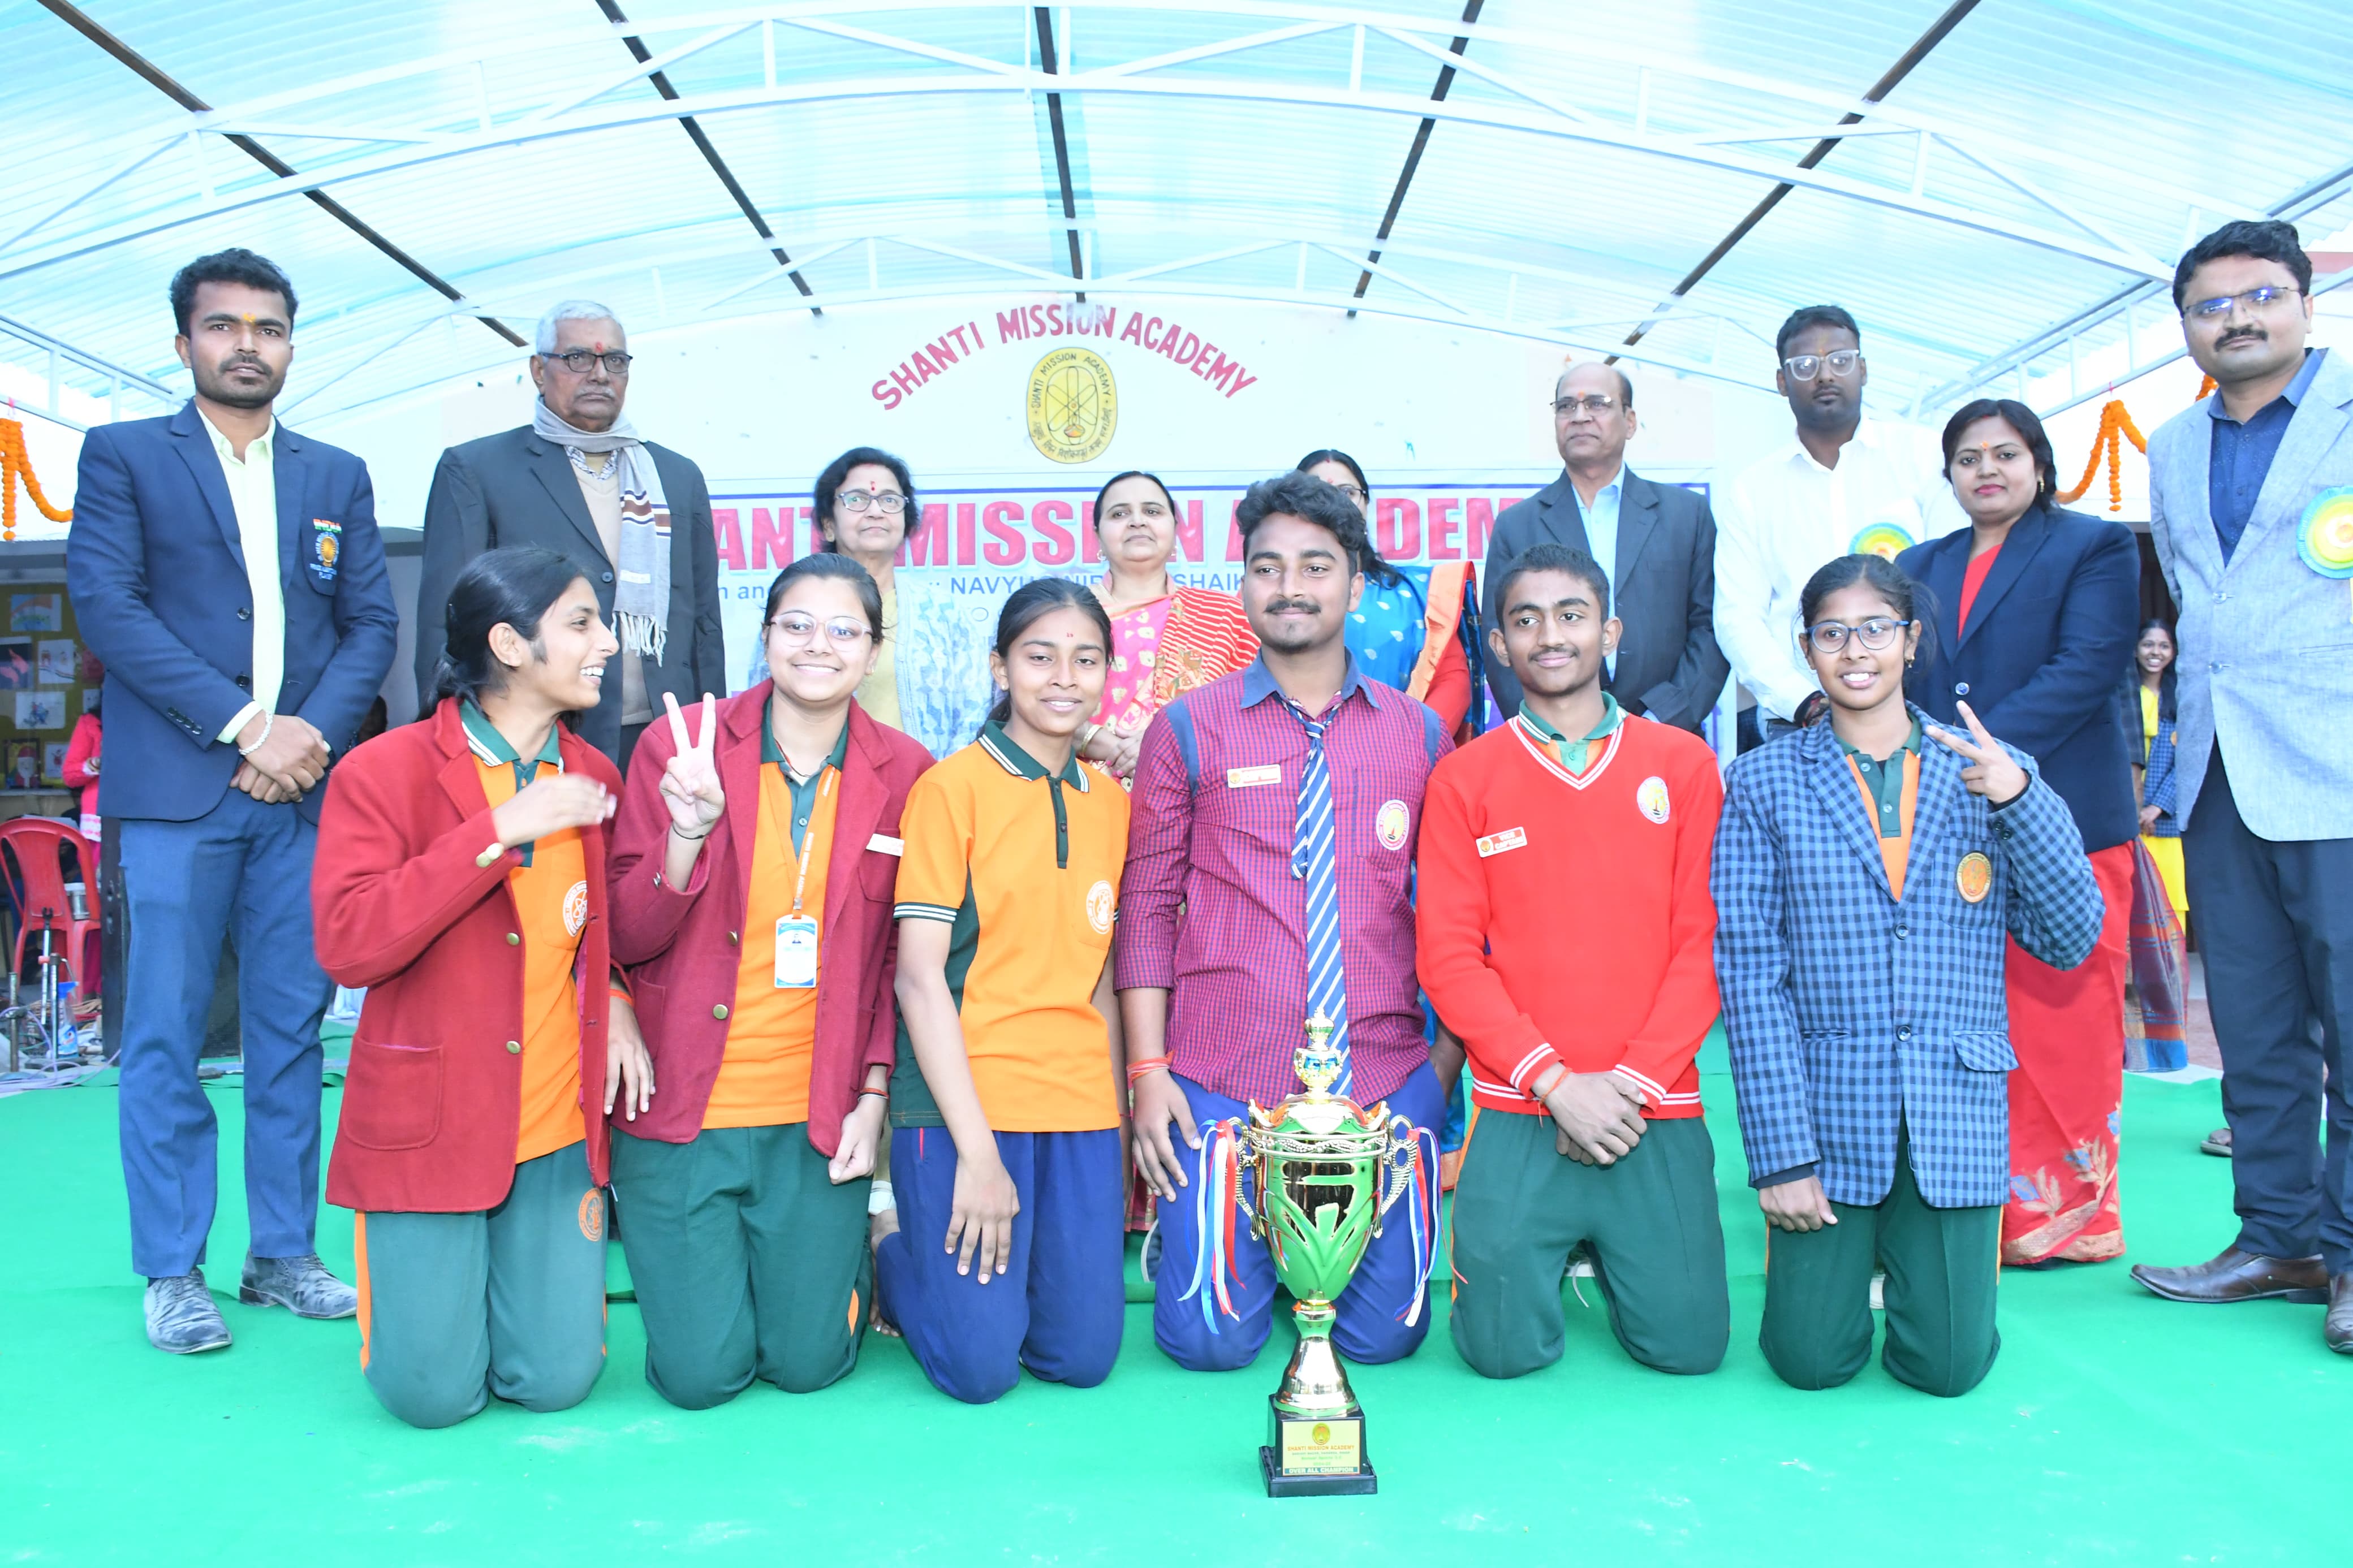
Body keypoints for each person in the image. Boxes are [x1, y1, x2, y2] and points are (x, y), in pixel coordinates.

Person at [66, 248, 399, 1355]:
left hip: (301, 797)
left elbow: (371, 626)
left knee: (292, 1030)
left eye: (268, 326)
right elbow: (109, 608)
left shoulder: (334, 473)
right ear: (184, 343)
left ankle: (282, 1254)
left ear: (291, 345)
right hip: (178, 794)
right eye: (223, 325)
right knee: (165, 1031)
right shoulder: (125, 456)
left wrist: (303, 739)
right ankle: (173, 1269)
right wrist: (247, 724)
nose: (246, 343)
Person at [1714, 554, 2100, 1397]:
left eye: (1876, 629)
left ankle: (1920, 1283)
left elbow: (2072, 938)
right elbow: (1750, 979)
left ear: (1912, 640)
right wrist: (1780, 1158)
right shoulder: (1761, 782)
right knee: (1810, 1363)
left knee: (1948, 1370)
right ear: (1806, 649)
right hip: (1828, 1116)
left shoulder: (1990, 771)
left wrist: (2020, 799)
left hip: (1953, 1113)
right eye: (1831, 633)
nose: (1855, 650)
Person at [311, 547, 653, 1427]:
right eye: (581, 623)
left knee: (556, 1382)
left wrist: (617, 1002)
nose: (607, 642)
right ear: (508, 643)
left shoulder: (596, 778)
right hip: (431, 1122)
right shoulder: (382, 772)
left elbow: (605, 934)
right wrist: (498, 830)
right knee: (430, 1398)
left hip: (554, 1123)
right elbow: (350, 945)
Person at [1122, 470, 1453, 1372]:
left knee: (1386, 1339)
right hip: (1225, 1078)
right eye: (1267, 568)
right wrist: (1149, 1073)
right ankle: (1221, 1238)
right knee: (1208, 1344)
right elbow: (1146, 908)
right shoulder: (1187, 730)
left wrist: (1439, 1073)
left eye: (1316, 566)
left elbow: (1456, 915)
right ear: (1243, 584)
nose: (1290, 587)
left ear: (1355, 583)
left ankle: (1287, 1251)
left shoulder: (1420, 735)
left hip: (1380, 1081)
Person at [604, 554, 933, 1407]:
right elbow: (625, 934)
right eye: (798, 625)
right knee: (699, 1378)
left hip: (817, 1113)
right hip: (683, 1105)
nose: (819, 645)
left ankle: (870, 1254)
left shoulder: (908, 772)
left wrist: (872, 1093)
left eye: (844, 630)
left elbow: (898, 963)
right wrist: (686, 834)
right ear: (765, 636)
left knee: (806, 1364)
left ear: (873, 650)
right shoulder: (683, 746)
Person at [1419, 543, 1729, 1379]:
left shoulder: (1683, 764)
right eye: (1525, 620)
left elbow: (1705, 940)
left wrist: (1627, 1086)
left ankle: (1611, 1259)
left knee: (1689, 1351)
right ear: (1498, 644)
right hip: (1520, 1103)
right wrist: (1556, 1084)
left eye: (1570, 615)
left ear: (1610, 631)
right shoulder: (1464, 778)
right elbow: (1448, 957)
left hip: (1652, 1106)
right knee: (1498, 1354)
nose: (1549, 635)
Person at [2127, 220, 2353, 1355]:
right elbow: (2188, 602)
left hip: (2341, 772)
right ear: (2186, 327)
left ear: (2306, 302)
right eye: (2210, 306)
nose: (2237, 319)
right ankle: (2279, 1239)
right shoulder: (2172, 443)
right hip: (2220, 774)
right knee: (2258, 1029)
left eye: (2260, 295)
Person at [1898, 399, 2141, 1267]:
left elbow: (2087, 668)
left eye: (2005, 454)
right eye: (1968, 458)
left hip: (2068, 820)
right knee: (1969, 1018)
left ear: (2040, 463)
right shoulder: (1918, 565)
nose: (1987, 470)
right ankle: (1976, 1208)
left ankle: (2071, 1220)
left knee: (2064, 1017)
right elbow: (1899, 681)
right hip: (1948, 828)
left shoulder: (2095, 546)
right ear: (1950, 474)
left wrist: (1975, 753)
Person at [876, 578, 1130, 1403]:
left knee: (1081, 1358)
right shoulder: (951, 789)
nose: (1063, 678)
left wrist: (1118, 1128)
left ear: (1107, 673)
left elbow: (1102, 980)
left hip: (1077, 1105)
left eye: (1085, 660)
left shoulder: (1112, 803)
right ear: (1000, 668)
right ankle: (888, 1249)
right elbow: (918, 979)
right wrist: (979, 1156)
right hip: (966, 1106)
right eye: (1039, 657)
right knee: (979, 1371)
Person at [416, 300, 726, 772]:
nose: (600, 374)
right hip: (533, 739)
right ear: (539, 370)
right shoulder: (478, 470)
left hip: (666, 737)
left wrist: (713, 736)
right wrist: (455, 743)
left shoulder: (676, 476)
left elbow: (704, 622)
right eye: (578, 358)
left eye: (614, 360)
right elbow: (446, 624)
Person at [1714, 306, 1966, 743]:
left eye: (1841, 360)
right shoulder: (1753, 489)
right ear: (1782, 381)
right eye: (1805, 365)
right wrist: (1805, 700)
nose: (1825, 375)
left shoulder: (1923, 457)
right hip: (1798, 722)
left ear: (1863, 370)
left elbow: (1952, 583)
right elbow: (1738, 617)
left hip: (1918, 710)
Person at [1479, 365, 1729, 734]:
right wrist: (1548, 729)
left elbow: (1711, 626)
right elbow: (1500, 637)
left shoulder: (1685, 515)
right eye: (1566, 406)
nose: (1580, 416)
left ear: (1630, 422)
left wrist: (1661, 719)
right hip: (1557, 742)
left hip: (1666, 733)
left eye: (1597, 403)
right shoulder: (1517, 525)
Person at [801, 446, 996, 761]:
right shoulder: (797, 611)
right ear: (828, 525)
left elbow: (976, 711)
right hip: (820, 784)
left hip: (927, 783)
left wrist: (943, 781)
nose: (875, 511)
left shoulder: (943, 613)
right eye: (857, 499)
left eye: (890, 500)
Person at [1078, 470, 1258, 781]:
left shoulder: (1225, 616)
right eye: (1119, 514)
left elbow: (1252, 719)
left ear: (1175, 530)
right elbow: (1039, 711)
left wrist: (1161, 748)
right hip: (1082, 793)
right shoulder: (1065, 615)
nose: (1137, 522)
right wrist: (1123, 751)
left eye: (1152, 511)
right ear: (1097, 535)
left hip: (1195, 794)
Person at [1297, 450, 1475, 734]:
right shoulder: (1273, 594)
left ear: (1366, 504)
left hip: (1401, 751)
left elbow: (1452, 681)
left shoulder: (1421, 592)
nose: (1333, 503)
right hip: (1289, 751)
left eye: (1347, 492)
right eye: (1315, 493)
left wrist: (1407, 745)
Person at [2132, 620, 2188, 923]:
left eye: (2164, 646)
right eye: (2148, 644)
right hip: (2126, 816)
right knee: (2130, 902)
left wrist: (2156, 807)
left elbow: (2188, 762)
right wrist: (2134, 808)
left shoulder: (2181, 698)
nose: (2156, 652)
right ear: (2136, 649)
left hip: (2165, 822)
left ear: (2174, 652)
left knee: (2170, 902)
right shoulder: (2124, 697)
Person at [62, 689, 101, 840]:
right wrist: (96, 764)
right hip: (99, 815)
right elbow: (70, 775)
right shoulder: (91, 722)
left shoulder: (146, 718)